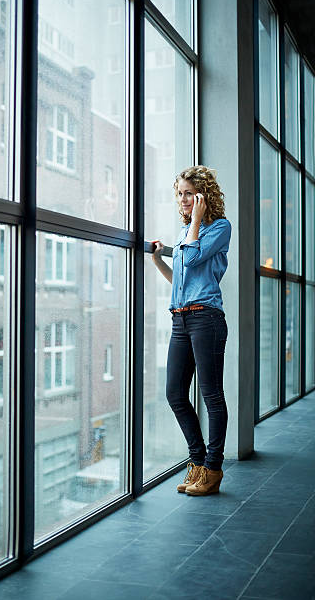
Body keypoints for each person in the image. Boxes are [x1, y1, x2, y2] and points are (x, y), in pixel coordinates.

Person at [152, 165, 231, 496]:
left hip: (206, 318)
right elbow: (181, 284)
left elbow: (196, 260)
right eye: (179, 194)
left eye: (188, 194)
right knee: (174, 393)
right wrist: (158, 260)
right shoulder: (188, 232)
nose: (182, 200)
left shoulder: (218, 228)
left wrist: (196, 221)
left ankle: (213, 469)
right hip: (181, 318)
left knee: (211, 394)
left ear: (203, 196)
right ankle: (197, 462)